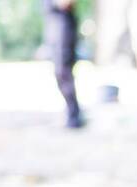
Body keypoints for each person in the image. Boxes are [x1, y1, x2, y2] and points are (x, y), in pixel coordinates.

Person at [43, 0, 82, 128]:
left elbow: (66, 3)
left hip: (63, 29)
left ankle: (74, 116)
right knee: (60, 74)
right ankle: (72, 113)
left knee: (63, 72)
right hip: (55, 28)